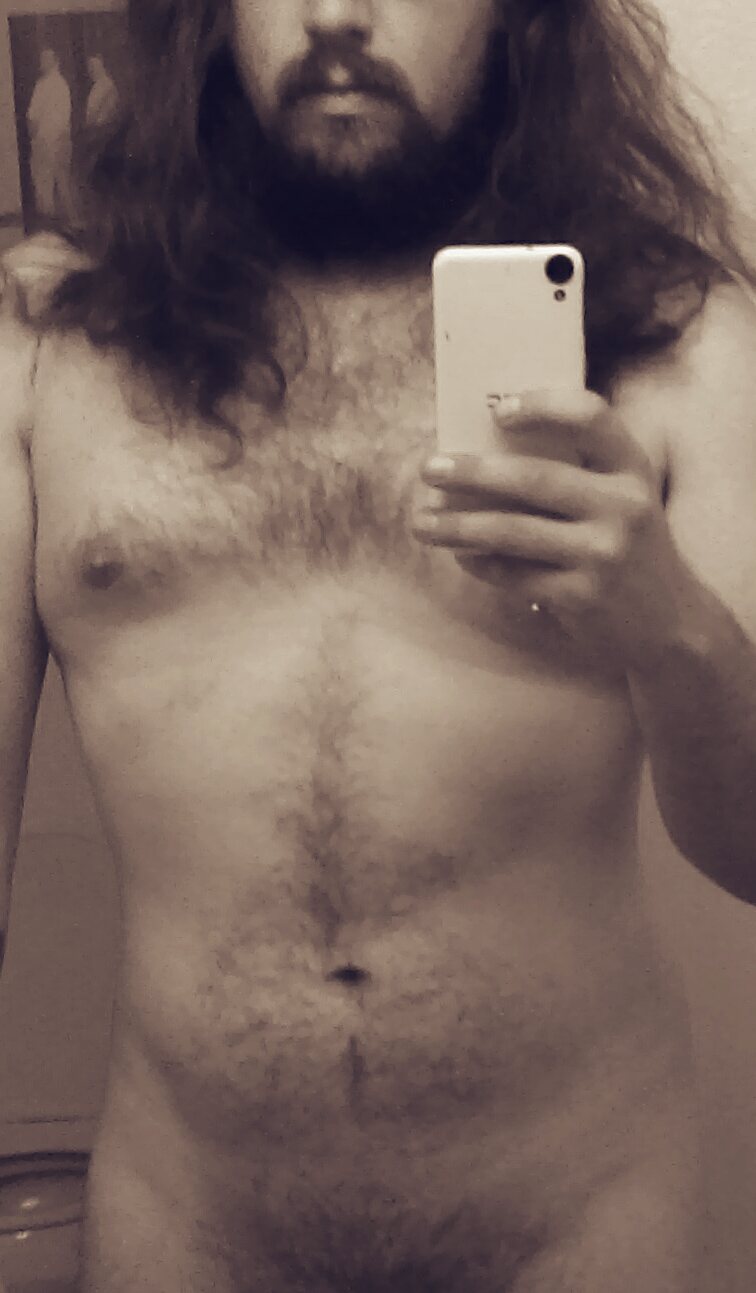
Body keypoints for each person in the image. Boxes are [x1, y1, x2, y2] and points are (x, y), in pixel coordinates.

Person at [1, 0, 756, 1290]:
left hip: (580, 1227)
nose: (337, 14)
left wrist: (670, 626)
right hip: (191, 1234)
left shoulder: (679, 342)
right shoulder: (49, 351)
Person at [25, 47, 73, 221]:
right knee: (61, 183)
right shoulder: (60, 84)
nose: (42, 63)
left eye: (45, 59)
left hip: (47, 140)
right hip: (57, 139)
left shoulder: (45, 85)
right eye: (41, 59)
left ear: (55, 61)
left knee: (45, 184)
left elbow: (33, 116)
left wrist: (34, 138)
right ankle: (66, 222)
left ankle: (51, 223)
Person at [85, 55, 119, 129]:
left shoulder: (104, 85)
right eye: (90, 69)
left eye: (93, 68)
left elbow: (93, 110)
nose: (90, 72)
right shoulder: (99, 85)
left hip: (101, 127)